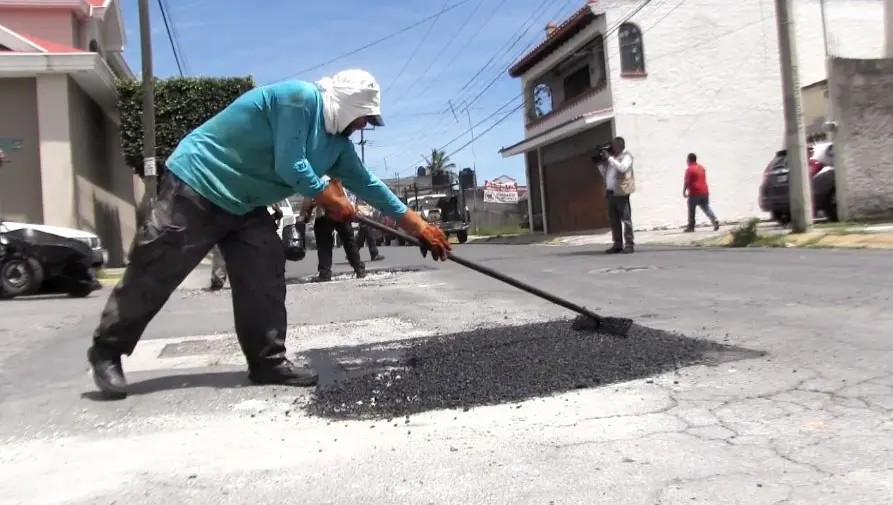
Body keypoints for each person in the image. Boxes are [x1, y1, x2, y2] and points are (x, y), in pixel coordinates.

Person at [86, 69, 451, 398]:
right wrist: (328, 198)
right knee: (157, 267)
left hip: (246, 204)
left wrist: (418, 226)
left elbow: (371, 186)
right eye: (363, 119)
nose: (363, 128)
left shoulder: (338, 148)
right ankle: (107, 350)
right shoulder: (298, 99)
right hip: (197, 183)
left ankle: (266, 362)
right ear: (344, 106)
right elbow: (290, 164)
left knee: (264, 273)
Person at [303, 177, 367, 281]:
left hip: (324, 213)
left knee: (324, 244)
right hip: (341, 209)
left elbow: (309, 197)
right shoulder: (336, 174)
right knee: (349, 241)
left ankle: (325, 274)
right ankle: (359, 269)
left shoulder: (315, 175)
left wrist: (304, 215)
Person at [210, 203, 284, 290]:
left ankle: (218, 279)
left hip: (227, 208)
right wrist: (276, 209)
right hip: (244, 212)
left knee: (223, 246)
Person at [595, 136, 636, 254]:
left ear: (620, 146)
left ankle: (629, 244)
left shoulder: (626, 156)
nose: (612, 147)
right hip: (610, 193)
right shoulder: (612, 159)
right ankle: (617, 244)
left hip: (621, 192)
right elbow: (605, 175)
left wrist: (610, 159)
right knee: (614, 221)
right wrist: (600, 163)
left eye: (614, 145)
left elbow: (622, 168)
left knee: (626, 219)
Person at [683, 153, 719, 232]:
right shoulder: (702, 168)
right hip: (704, 192)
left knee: (691, 209)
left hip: (695, 193)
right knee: (706, 207)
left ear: (689, 160)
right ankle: (714, 219)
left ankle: (691, 227)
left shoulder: (689, 169)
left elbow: (687, 181)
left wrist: (684, 191)